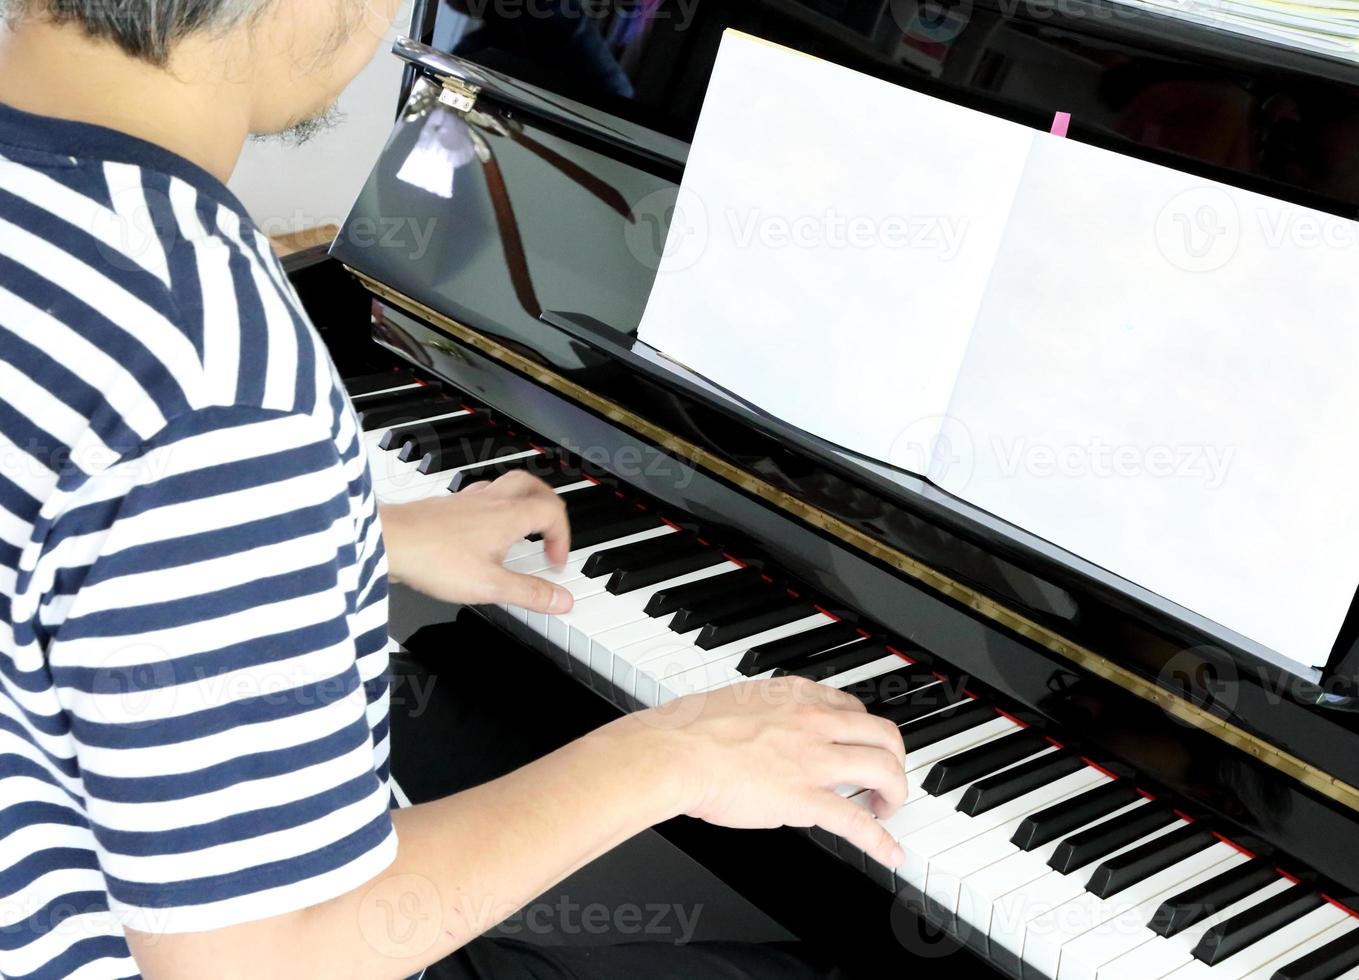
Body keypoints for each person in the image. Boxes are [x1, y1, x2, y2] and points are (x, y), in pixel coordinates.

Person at [0, 2, 909, 978]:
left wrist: (347, 537)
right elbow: (260, 960)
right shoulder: (206, 353)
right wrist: (671, 751)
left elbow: (77, 522)